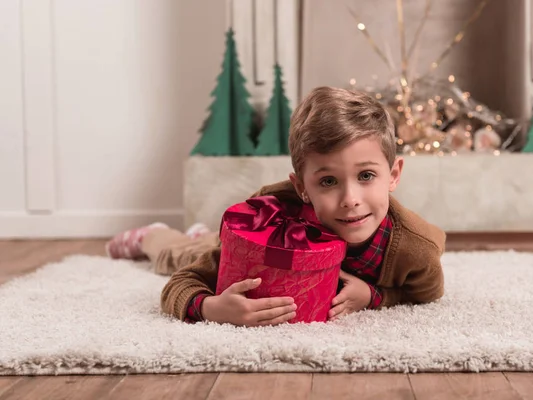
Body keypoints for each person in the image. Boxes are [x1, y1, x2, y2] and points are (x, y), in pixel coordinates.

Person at [106, 86, 446, 327]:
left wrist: (374, 296)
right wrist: (211, 308)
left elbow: (426, 294)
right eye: (328, 181)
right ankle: (153, 235)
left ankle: (201, 234)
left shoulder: (414, 248)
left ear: (393, 175)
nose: (350, 199)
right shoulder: (273, 213)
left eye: (366, 175)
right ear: (302, 187)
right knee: (179, 256)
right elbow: (182, 283)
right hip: (262, 245)